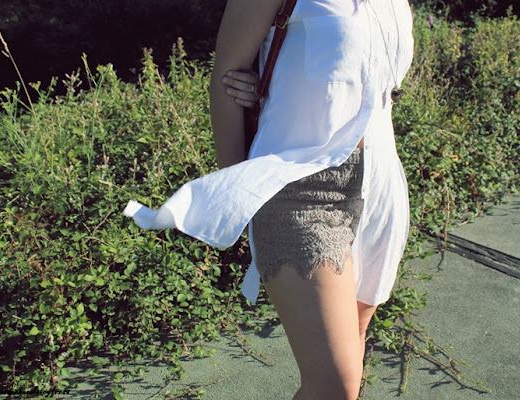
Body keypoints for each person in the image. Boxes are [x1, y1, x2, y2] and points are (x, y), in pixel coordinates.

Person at [125, 0, 414, 398]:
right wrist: (239, 195)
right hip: (298, 190)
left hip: (379, 185)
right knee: (335, 385)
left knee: (354, 348)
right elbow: (226, 80)